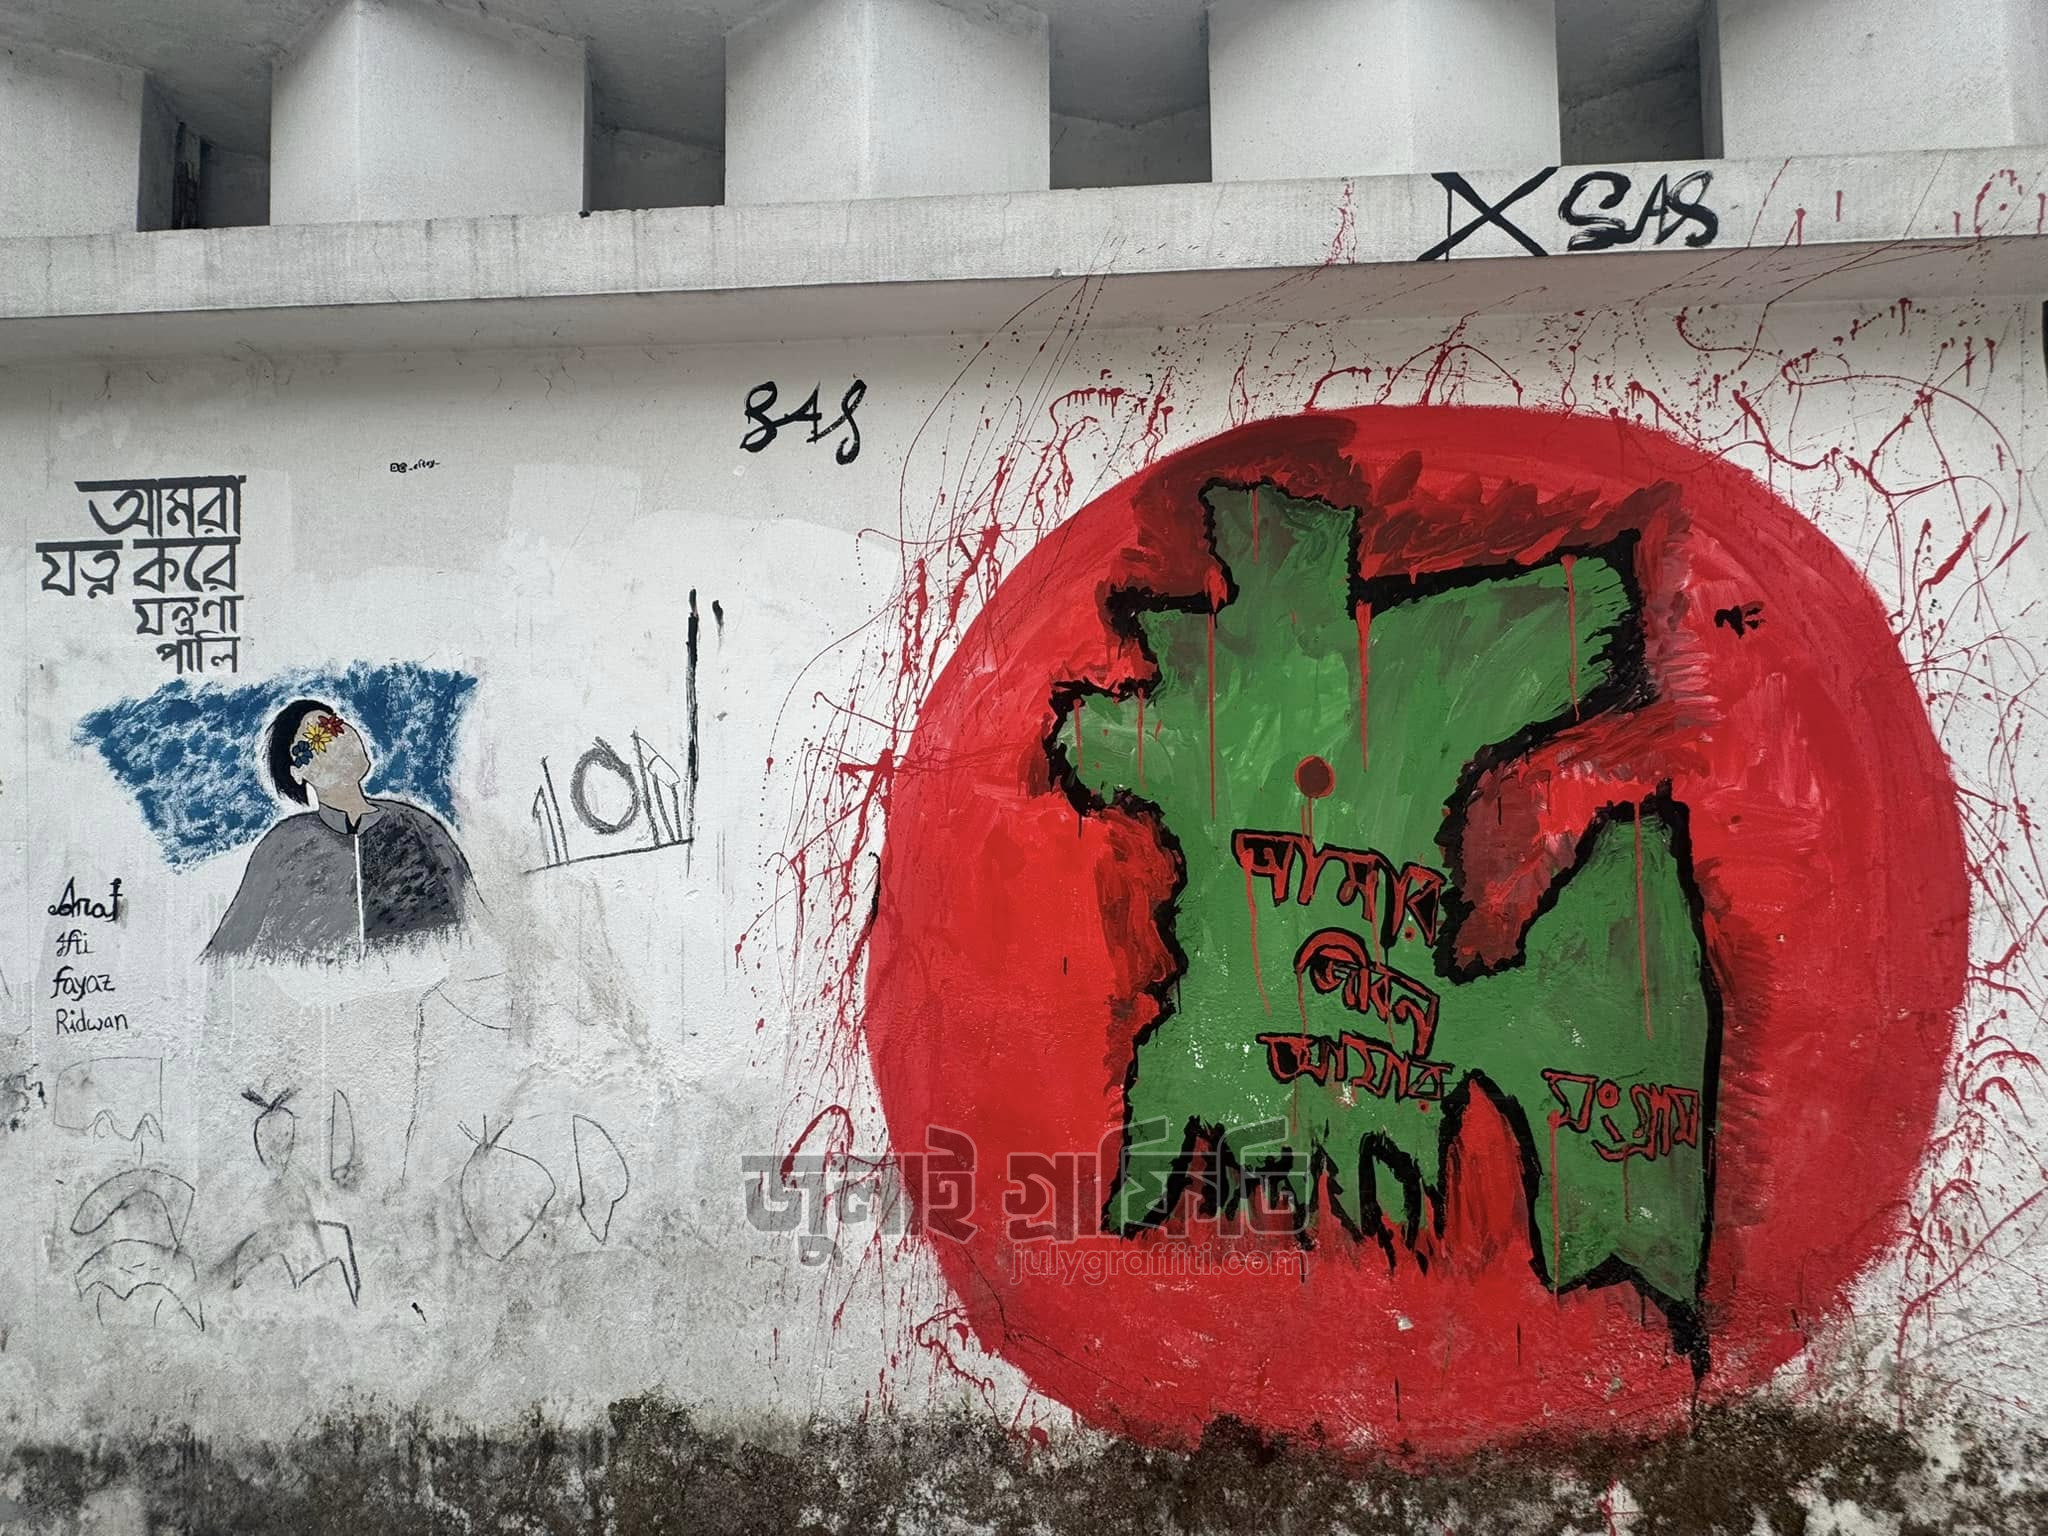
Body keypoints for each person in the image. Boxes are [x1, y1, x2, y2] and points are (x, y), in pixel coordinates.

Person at [204, 698, 474, 962]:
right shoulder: (283, 846)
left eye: (335, 724)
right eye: (317, 736)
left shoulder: (416, 826)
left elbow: (474, 919)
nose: (339, 737)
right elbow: (228, 952)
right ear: (297, 772)